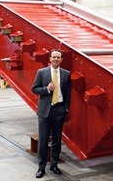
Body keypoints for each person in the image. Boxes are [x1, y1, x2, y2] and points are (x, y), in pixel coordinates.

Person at [32, 49, 71, 178]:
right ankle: (41, 167)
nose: (55, 59)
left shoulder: (66, 74)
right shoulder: (42, 72)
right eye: (53, 57)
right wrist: (47, 89)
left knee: (56, 140)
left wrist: (65, 108)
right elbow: (35, 89)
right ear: (50, 59)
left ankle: (54, 165)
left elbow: (68, 93)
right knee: (43, 140)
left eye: (58, 57)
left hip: (59, 110)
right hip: (45, 111)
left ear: (61, 60)